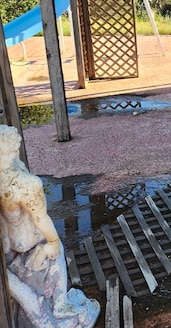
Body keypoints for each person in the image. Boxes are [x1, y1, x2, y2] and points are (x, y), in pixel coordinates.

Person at [0, 125, 100, 328]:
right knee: (56, 248)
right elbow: (40, 218)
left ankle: (55, 303)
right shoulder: (25, 183)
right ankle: (60, 302)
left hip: (10, 245)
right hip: (29, 240)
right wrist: (53, 241)